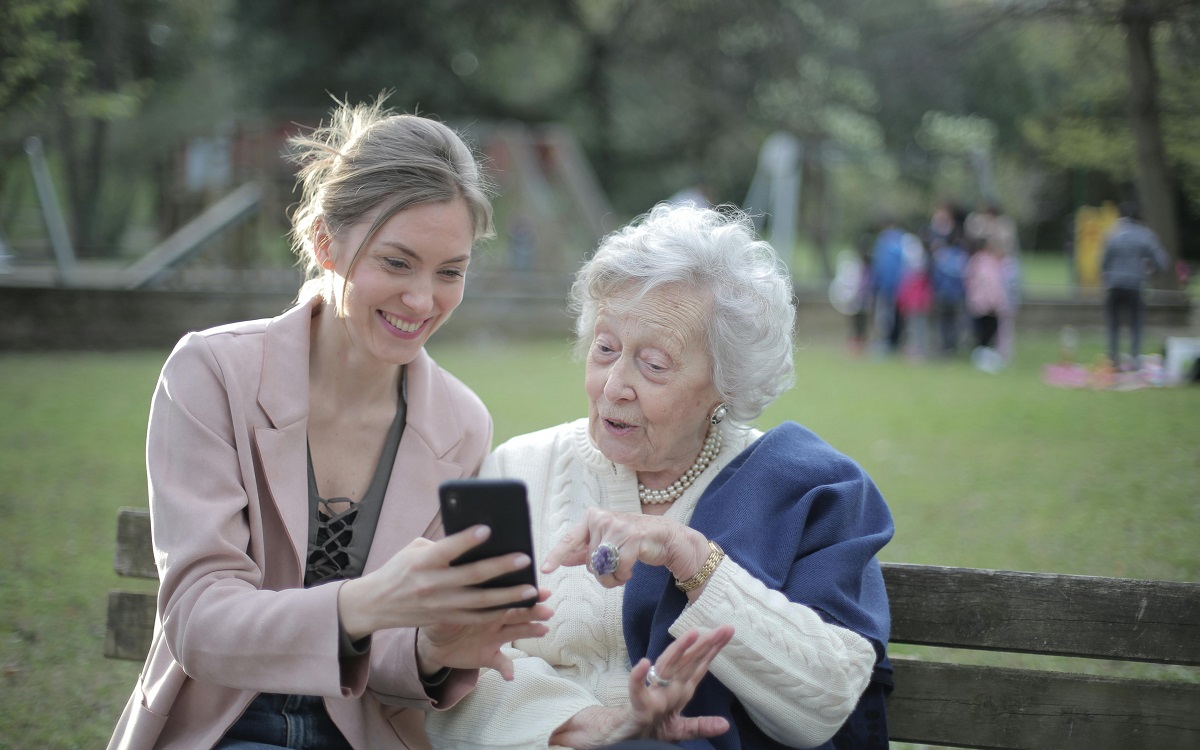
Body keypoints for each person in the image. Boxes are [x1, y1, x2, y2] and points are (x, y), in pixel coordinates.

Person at [108, 98, 553, 750]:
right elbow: (199, 622)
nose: (422, 300)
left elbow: (393, 667)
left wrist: (436, 645)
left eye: (449, 272)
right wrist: (365, 603)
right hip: (221, 728)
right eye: (397, 263)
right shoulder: (211, 374)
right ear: (324, 243)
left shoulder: (460, 423)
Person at [426, 204, 894, 749]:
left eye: (654, 364)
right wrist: (594, 726)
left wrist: (690, 557)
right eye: (605, 349)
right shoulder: (519, 469)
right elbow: (455, 670)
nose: (614, 385)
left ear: (727, 385)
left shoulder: (807, 488)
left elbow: (828, 701)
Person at [1101, 200, 1170, 370]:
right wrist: (1152, 272)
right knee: (1136, 323)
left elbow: (1103, 262)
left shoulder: (1112, 233)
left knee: (1114, 323)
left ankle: (1113, 358)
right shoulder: (1144, 235)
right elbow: (1162, 262)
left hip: (1114, 285)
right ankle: (1134, 359)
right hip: (1135, 284)